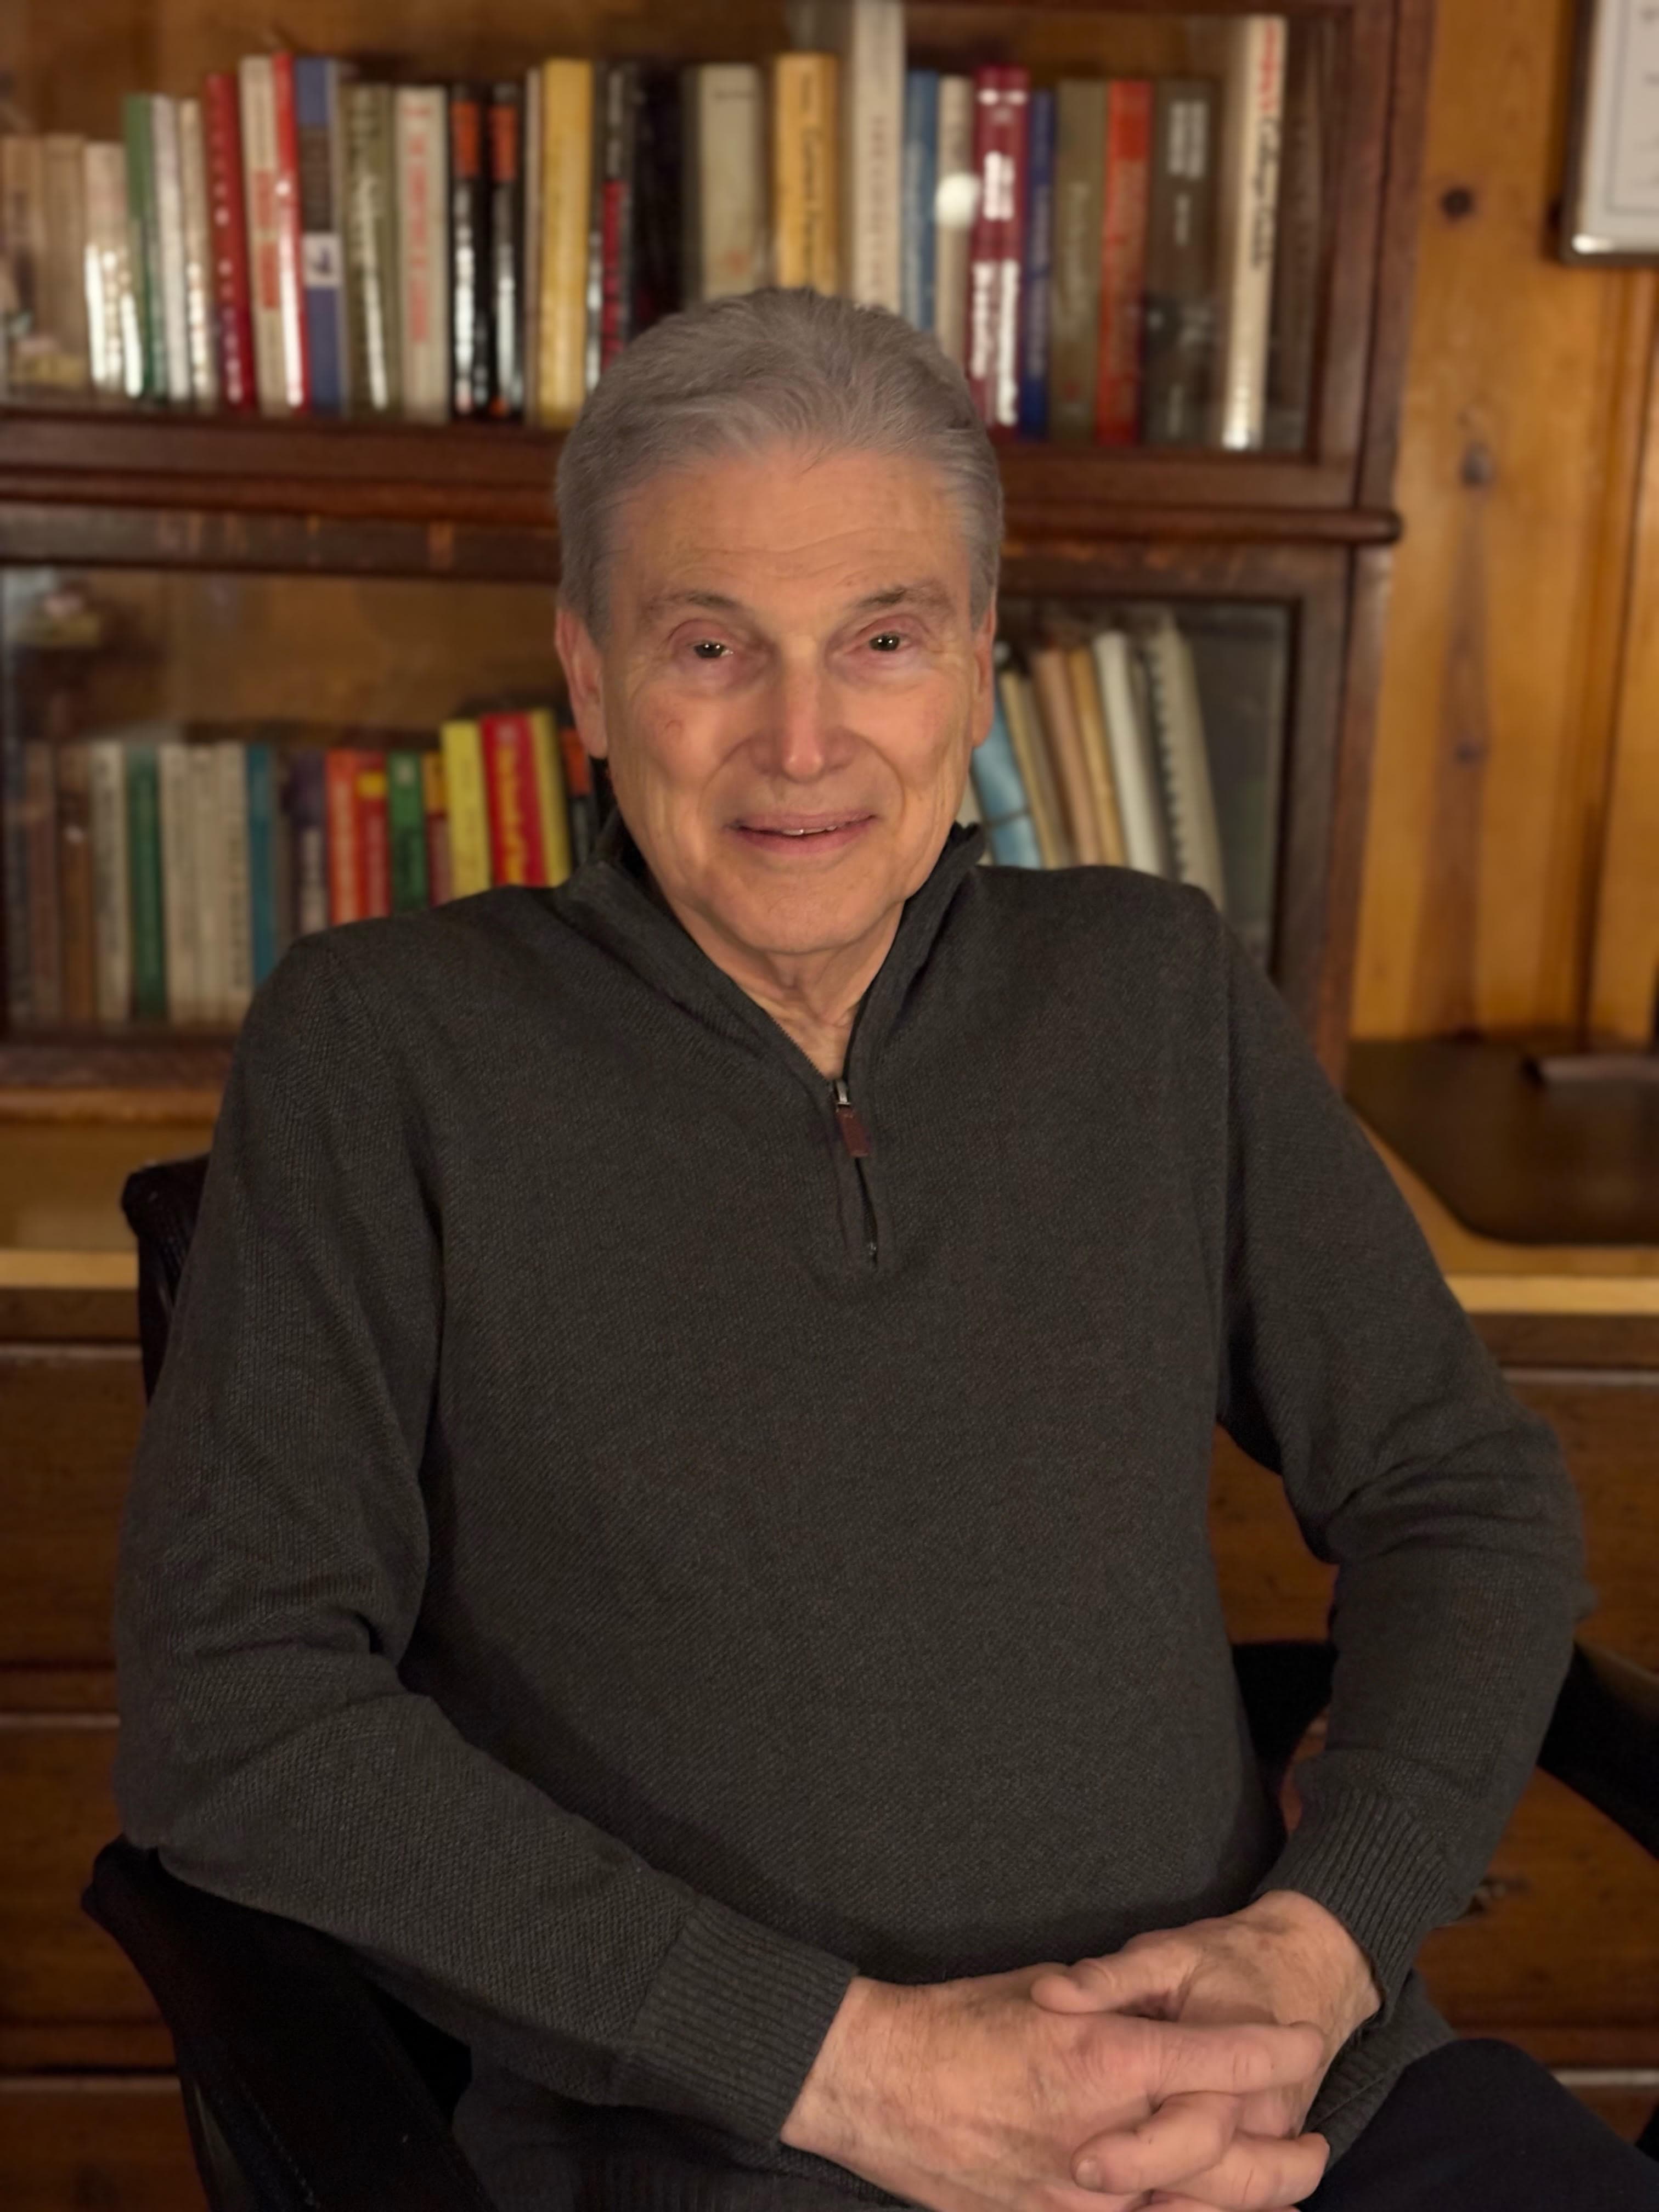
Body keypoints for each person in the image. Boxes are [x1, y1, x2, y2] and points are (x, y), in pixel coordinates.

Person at [112, 287, 1659, 2212]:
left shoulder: (1154, 990)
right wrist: (855, 2071)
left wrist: (1317, 1950)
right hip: (727, 2147)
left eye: (884, 641)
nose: (802, 740)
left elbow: (1464, 1495)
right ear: (589, 682)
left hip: (1273, 2106)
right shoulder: (381, 1051)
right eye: (709, 647)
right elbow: (238, 1714)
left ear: (981, 671)